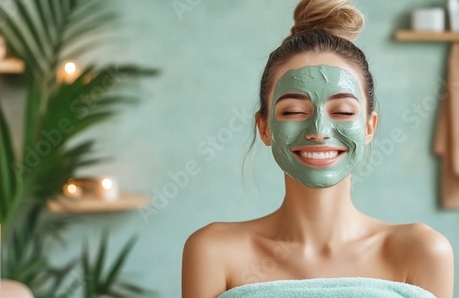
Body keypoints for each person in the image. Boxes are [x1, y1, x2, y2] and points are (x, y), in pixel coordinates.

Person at [181, 0, 454, 297]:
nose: (318, 132)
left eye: (343, 112)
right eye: (294, 111)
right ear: (264, 127)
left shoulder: (421, 251)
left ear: (369, 127)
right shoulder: (214, 251)